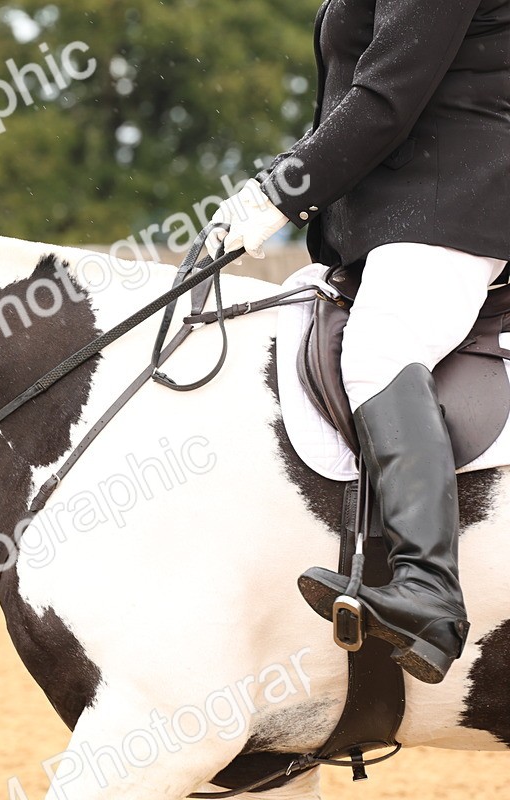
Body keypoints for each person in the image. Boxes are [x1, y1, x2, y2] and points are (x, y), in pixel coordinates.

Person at [210, 0, 510, 684]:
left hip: (457, 207)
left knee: (379, 347)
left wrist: (276, 193)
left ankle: (428, 592)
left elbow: (384, 98)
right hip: (407, 212)